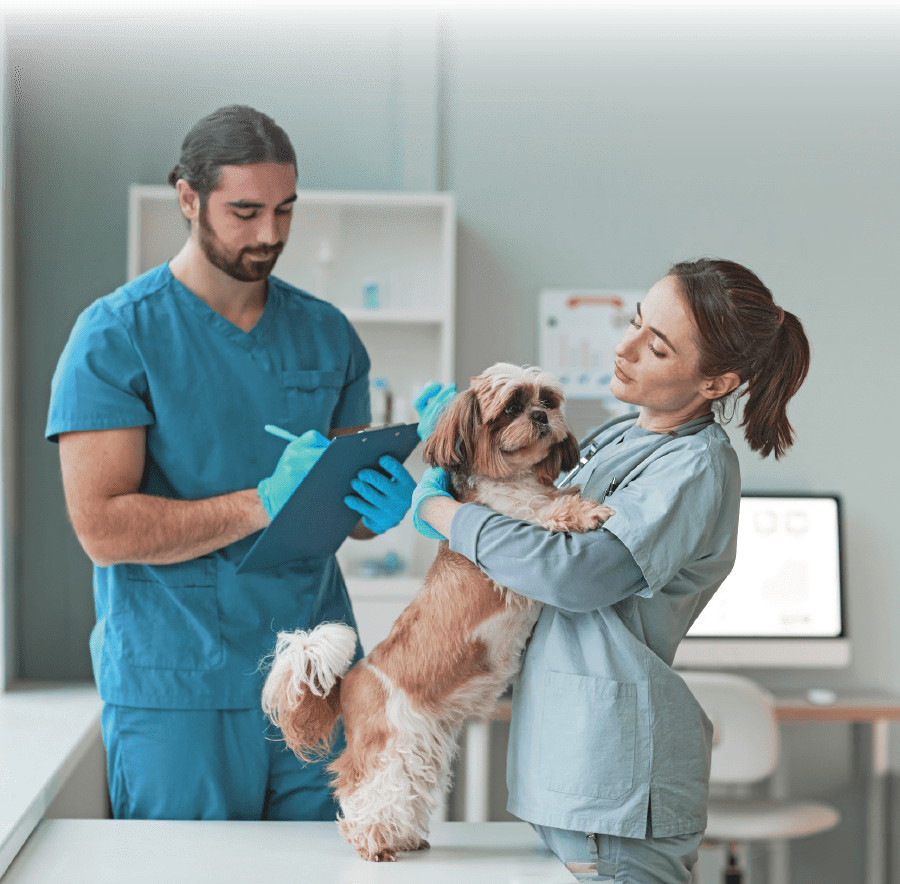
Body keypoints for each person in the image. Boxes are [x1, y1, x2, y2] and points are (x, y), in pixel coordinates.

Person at [45, 104, 441, 822]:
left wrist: (376, 505)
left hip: (315, 676)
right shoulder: (115, 337)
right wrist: (264, 500)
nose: (271, 235)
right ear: (188, 198)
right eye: (246, 211)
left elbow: (340, 514)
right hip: (179, 690)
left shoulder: (328, 335)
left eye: (285, 210)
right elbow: (103, 527)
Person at [412, 258, 811, 883]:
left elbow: (574, 575)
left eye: (655, 346)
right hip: (569, 769)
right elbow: (538, 514)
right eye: (634, 322)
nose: (623, 348)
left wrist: (444, 513)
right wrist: (464, 460)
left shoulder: (693, 466)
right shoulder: (621, 436)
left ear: (715, 382)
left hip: (616, 781)